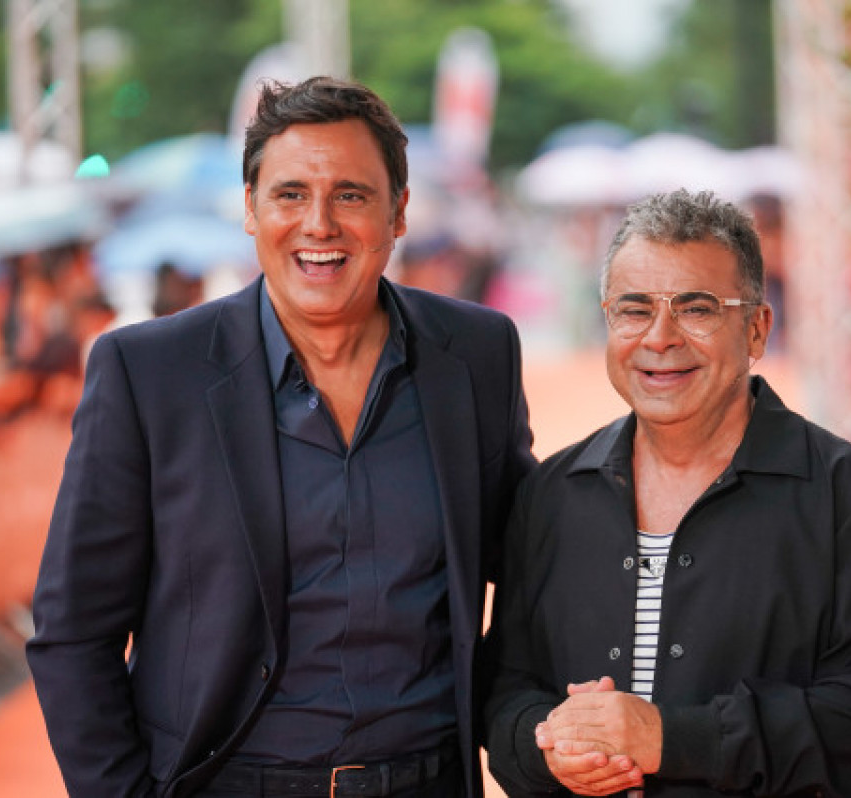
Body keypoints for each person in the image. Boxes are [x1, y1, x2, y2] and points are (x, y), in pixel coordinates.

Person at [27, 76, 536, 798]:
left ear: (398, 212)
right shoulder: (149, 373)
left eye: (351, 195)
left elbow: (529, 571)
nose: (318, 224)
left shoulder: (477, 354)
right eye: (290, 194)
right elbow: (74, 632)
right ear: (250, 208)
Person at [486, 189, 851, 797]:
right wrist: (550, 746)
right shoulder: (549, 496)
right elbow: (504, 689)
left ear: (756, 328)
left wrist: (670, 740)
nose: (660, 338)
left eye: (696, 309)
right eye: (634, 310)